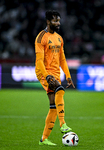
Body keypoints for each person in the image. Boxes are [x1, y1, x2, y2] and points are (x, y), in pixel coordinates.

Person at [34, 10, 75, 146]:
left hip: (55, 72)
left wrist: (68, 76)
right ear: (48, 21)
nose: (58, 23)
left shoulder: (59, 38)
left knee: (53, 107)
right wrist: (46, 76)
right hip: (44, 72)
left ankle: (44, 139)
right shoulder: (41, 37)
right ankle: (63, 124)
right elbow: (39, 60)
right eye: (55, 21)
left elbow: (62, 59)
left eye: (59, 20)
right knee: (60, 89)